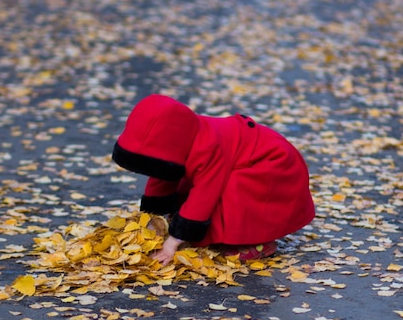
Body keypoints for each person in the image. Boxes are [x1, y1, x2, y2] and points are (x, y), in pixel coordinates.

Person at [112, 94, 315, 265]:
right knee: (193, 189)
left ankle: (258, 242)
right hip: (245, 159)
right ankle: (217, 231)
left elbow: (205, 195)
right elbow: (163, 175)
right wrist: (152, 219)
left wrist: (172, 242)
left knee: (231, 192)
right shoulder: (182, 137)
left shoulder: (207, 147)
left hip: (270, 166)